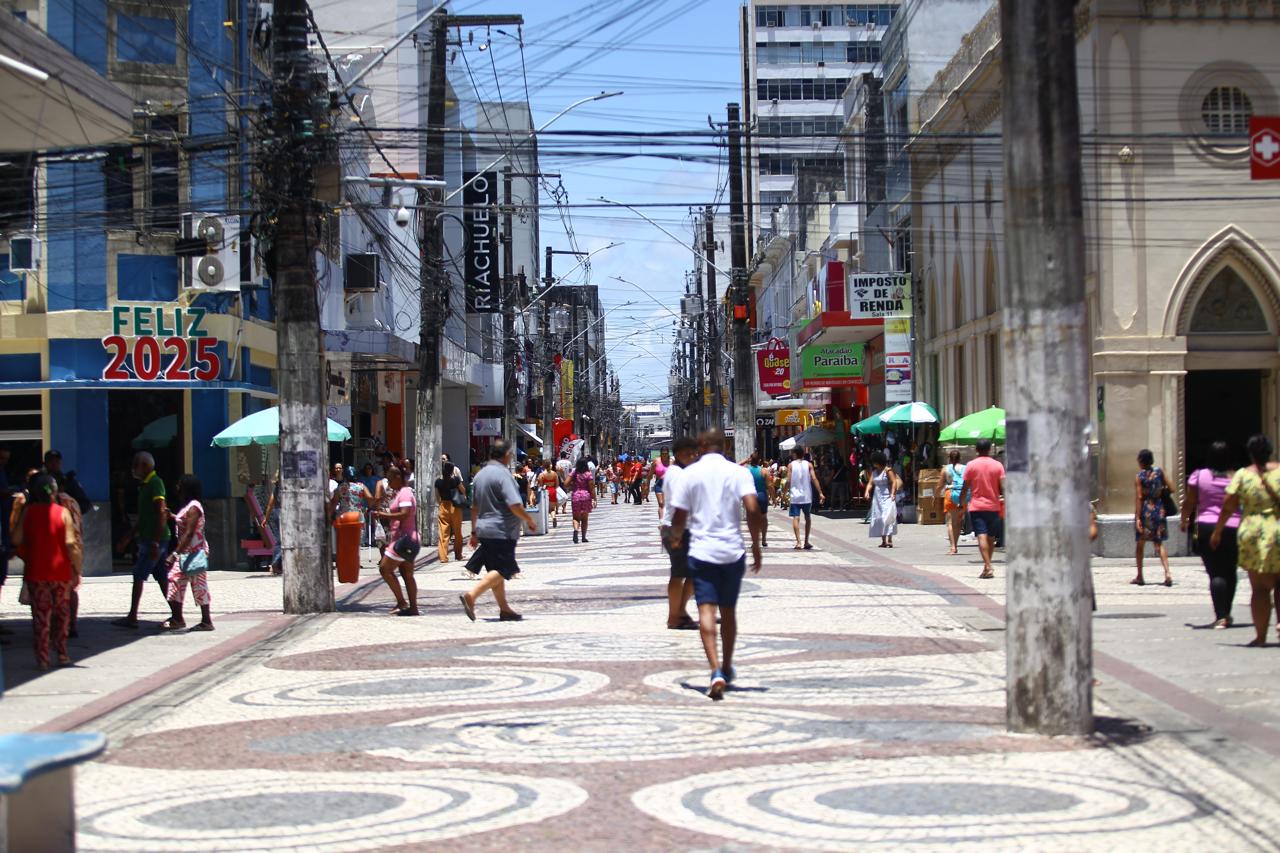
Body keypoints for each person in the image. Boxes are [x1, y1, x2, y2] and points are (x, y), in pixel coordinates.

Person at [669, 430, 764, 701]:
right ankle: (726, 664)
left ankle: (714, 670)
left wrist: (675, 539)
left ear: (700, 445)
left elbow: (680, 515)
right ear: (724, 445)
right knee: (729, 611)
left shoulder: (690, 474)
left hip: (701, 551)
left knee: (706, 611)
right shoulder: (738, 472)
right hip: (732, 551)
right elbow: (753, 508)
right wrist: (756, 545)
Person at [1211, 434, 1280, 647]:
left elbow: (1228, 504)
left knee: (1259, 588)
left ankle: (1260, 637)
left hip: (1253, 531)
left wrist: (1218, 531)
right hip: (1278, 528)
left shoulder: (1242, 475)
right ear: (1271, 451)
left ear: (1250, 453)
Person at [460, 440, 536, 622]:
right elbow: (515, 504)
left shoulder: (479, 476)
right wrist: (529, 519)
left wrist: (473, 532)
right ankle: (472, 595)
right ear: (506, 455)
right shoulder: (503, 475)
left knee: (495, 570)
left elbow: (474, 507)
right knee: (505, 569)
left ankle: (504, 609)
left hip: (484, 529)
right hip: (502, 530)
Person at [12, 474, 80, 669]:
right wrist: (77, 569)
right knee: (62, 616)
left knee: (41, 618)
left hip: (36, 572)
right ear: (55, 491)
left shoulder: (29, 512)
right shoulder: (63, 512)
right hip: (60, 572)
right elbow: (70, 544)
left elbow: (16, 539)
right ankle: (62, 654)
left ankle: (42, 659)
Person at [1182, 441, 1240, 629]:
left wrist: (1184, 520)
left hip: (1206, 526)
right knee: (1230, 570)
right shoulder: (1236, 477)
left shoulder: (1199, 476)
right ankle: (1227, 612)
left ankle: (1221, 615)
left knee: (1215, 573)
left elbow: (1190, 502)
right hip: (1234, 527)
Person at [113, 452, 168, 628]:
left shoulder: (155, 483)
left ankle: (132, 616)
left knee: (138, 574)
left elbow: (160, 512)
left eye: (135, 465)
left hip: (154, 539)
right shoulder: (144, 485)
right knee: (161, 576)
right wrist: (129, 535)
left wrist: (155, 542)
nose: (133, 469)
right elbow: (144, 516)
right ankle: (176, 613)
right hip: (149, 537)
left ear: (144, 466)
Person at [162, 474, 214, 632]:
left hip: (194, 552)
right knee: (174, 580)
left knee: (198, 585)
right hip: (186, 552)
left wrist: (174, 554)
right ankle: (178, 618)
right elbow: (183, 523)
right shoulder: (188, 506)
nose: (177, 487)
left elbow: (189, 533)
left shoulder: (194, 507)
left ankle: (206, 621)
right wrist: (172, 516)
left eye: (179, 484)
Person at [661, 437, 700, 630]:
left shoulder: (680, 472)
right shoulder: (677, 474)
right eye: (688, 453)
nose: (693, 457)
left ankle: (681, 612)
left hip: (682, 529)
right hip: (678, 529)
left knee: (692, 573)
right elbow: (679, 505)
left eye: (694, 453)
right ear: (678, 454)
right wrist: (676, 535)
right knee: (679, 574)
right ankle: (674, 617)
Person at [374, 465, 421, 616]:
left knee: (384, 569)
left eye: (389, 479)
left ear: (398, 478)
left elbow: (404, 514)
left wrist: (383, 515)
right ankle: (412, 607)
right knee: (407, 574)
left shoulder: (405, 493)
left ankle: (402, 602)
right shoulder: (402, 493)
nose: (388, 483)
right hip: (406, 538)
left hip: (403, 540)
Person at [960, 439, 1005, 579]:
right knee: (991, 537)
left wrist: (961, 501)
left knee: (981, 535)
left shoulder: (971, 465)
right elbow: (1003, 486)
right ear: (990, 449)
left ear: (976, 449)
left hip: (977, 506)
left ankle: (988, 566)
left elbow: (966, 486)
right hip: (994, 505)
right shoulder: (998, 465)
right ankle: (987, 565)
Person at [1132, 449, 1173, 587]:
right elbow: (1172, 488)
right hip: (1159, 509)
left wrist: (1137, 517)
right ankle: (1167, 573)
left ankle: (1140, 576)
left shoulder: (1140, 476)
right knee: (1159, 542)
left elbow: (1139, 497)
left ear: (1141, 461)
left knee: (1140, 544)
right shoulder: (1159, 472)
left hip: (1146, 511)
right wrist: (1160, 491)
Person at [327, 465, 375, 551]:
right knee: (356, 540)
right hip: (358, 516)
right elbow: (370, 498)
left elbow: (334, 503)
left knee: (344, 540)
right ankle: (355, 562)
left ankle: (347, 561)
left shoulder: (340, 487)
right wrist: (369, 508)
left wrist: (329, 515)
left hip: (343, 517)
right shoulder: (361, 486)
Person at [784, 447, 824, 550]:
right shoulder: (809, 465)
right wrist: (820, 493)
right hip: (807, 496)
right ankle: (806, 541)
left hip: (795, 496)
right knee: (808, 517)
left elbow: (788, 481)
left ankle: (798, 542)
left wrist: (784, 493)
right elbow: (814, 478)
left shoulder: (791, 465)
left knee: (796, 518)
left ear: (795, 454)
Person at [864, 451, 900, 548]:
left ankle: (890, 539)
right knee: (879, 518)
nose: (873, 464)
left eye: (874, 462)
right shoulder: (874, 472)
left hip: (887, 496)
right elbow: (870, 483)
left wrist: (893, 494)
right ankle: (883, 540)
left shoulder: (888, 470)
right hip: (877, 497)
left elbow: (894, 482)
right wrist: (867, 491)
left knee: (887, 517)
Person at [435, 460, 467, 563]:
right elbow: (463, 491)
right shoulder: (455, 480)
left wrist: (440, 504)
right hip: (455, 507)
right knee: (457, 533)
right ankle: (458, 555)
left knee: (443, 533)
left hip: (443, 506)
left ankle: (443, 557)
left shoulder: (438, 482)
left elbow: (437, 497)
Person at [744, 452, 774, 548]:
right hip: (762, 495)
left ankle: (754, 541)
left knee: (752, 519)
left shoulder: (746, 470)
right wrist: (774, 497)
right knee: (763, 518)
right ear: (759, 461)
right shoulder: (764, 471)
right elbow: (769, 485)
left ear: (750, 460)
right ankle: (764, 539)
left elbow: (735, 467)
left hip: (750, 496)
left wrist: (745, 461)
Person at [943, 450, 967, 555]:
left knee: (950, 522)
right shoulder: (965, 468)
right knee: (958, 522)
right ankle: (955, 545)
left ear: (949, 458)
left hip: (950, 495)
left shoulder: (946, 468)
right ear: (960, 458)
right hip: (962, 495)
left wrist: (936, 492)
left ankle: (953, 547)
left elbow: (941, 482)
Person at [569, 458, 596, 544]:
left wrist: (573, 485)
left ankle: (576, 530)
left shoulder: (574, 473)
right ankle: (583, 537)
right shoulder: (588, 474)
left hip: (576, 496)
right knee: (584, 518)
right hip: (585, 496)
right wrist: (594, 498)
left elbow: (566, 483)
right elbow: (592, 487)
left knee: (576, 518)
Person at [538, 460, 561, 529]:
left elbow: (540, 485)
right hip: (553, 491)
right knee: (552, 508)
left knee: (546, 508)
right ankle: (553, 517)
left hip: (546, 491)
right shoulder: (554, 474)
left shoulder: (542, 474)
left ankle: (546, 523)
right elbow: (557, 485)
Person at [652, 448, 671, 522]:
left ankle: (668, 520)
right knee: (661, 503)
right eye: (663, 453)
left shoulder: (672, 461)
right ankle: (661, 521)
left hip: (669, 485)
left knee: (668, 503)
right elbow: (651, 473)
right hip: (659, 484)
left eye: (666, 453)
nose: (664, 455)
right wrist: (647, 482)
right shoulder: (656, 461)